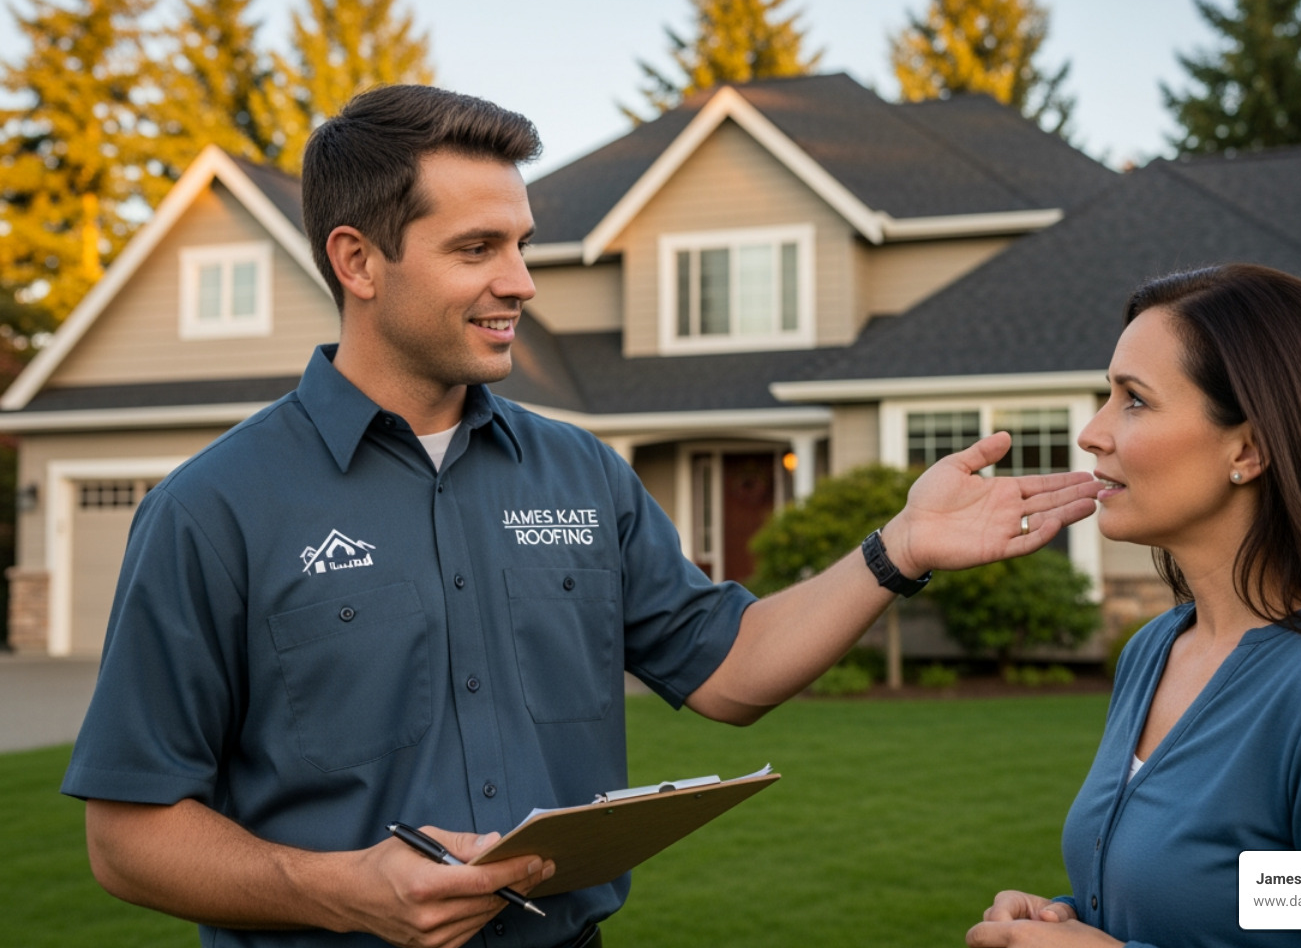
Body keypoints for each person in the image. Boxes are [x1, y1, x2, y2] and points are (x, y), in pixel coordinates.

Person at [62, 85, 1102, 948]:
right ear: (358, 260)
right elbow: (126, 837)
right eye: (477, 248)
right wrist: (340, 890)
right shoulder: (212, 510)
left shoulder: (581, 473)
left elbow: (731, 668)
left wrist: (898, 550)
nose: (519, 282)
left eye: (521, 244)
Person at [966, 264, 1301, 948]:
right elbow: (1241, 909)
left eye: (1134, 400)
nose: (1091, 432)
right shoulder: (1155, 650)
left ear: (1249, 448)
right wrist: (1066, 919)